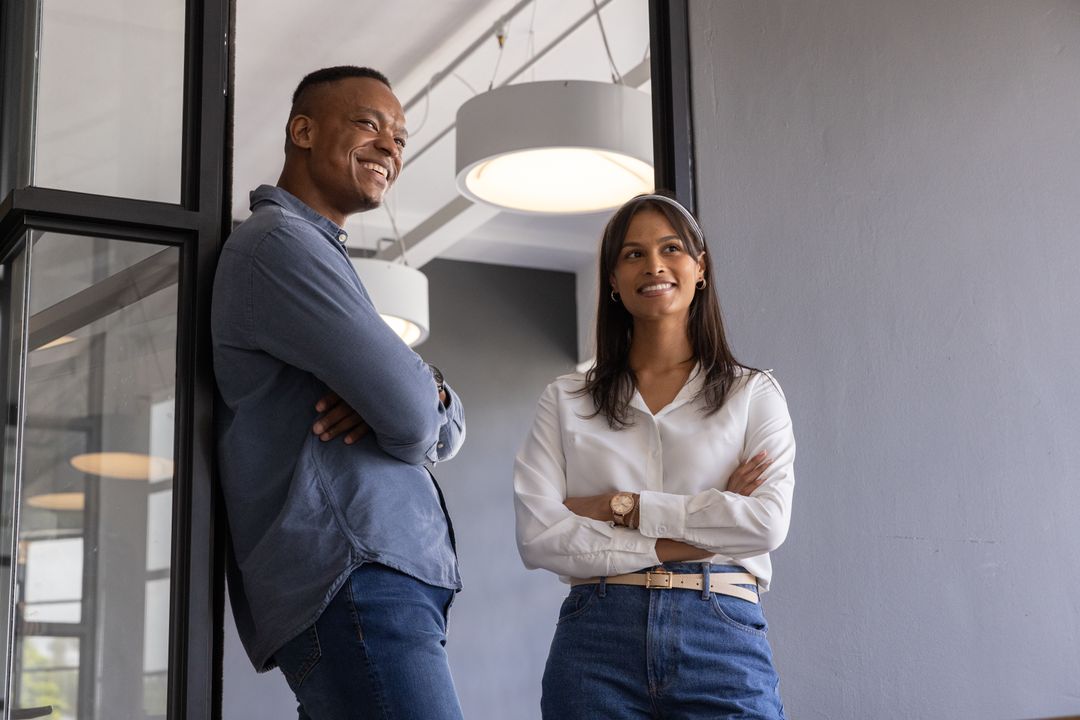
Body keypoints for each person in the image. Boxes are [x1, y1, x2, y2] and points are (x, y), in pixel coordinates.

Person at [212, 66, 466, 720]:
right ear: (302, 130)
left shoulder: (315, 253)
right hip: (356, 575)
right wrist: (413, 395)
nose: (392, 148)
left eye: (402, 138)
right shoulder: (279, 246)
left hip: (370, 580)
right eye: (370, 124)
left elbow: (436, 417)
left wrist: (420, 388)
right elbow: (413, 422)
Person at [513, 193, 795, 719]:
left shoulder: (753, 394)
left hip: (722, 633)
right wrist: (695, 530)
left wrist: (623, 506)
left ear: (700, 267)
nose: (654, 265)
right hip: (596, 639)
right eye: (633, 254)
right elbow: (539, 537)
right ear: (614, 280)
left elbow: (765, 524)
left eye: (671, 248)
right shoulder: (566, 399)